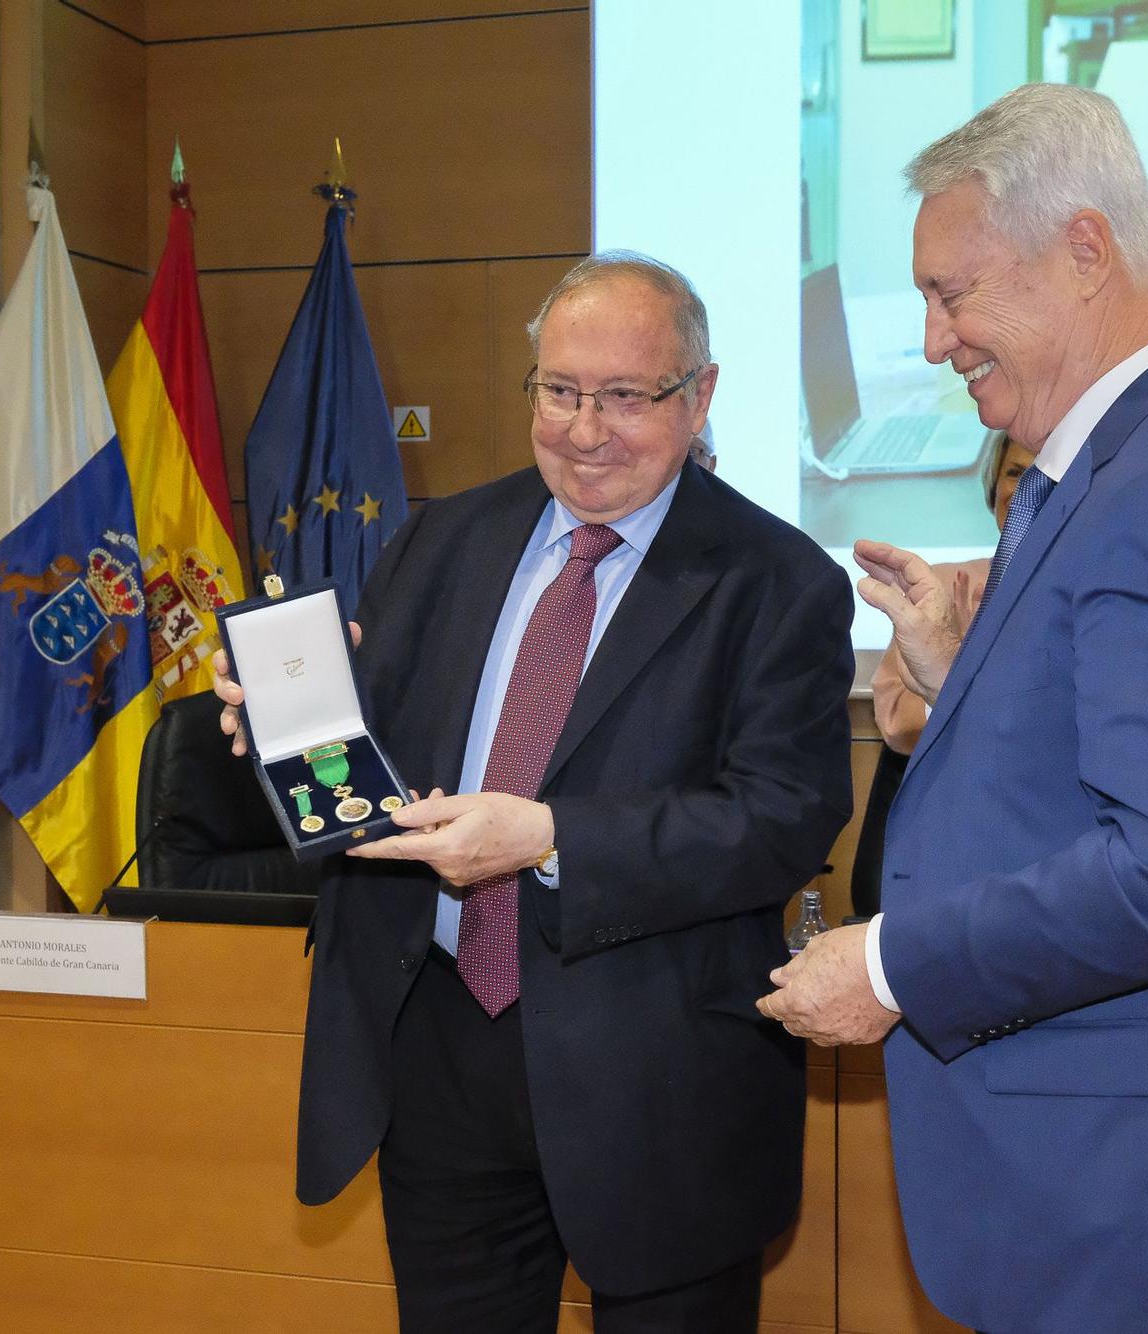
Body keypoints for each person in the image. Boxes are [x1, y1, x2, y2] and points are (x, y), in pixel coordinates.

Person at [758, 85, 1148, 1333]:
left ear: (1084, 249)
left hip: (1131, 1201)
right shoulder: (1131, 460)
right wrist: (952, 679)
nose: (933, 340)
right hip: (1107, 1185)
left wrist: (887, 959)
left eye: (951, 292)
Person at [215, 252, 854, 1333]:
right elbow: (383, 758)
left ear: (698, 395)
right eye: (560, 391)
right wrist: (290, 728)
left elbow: (779, 816)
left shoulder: (776, 579)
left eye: (624, 396)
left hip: (657, 1079)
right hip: (440, 1054)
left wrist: (550, 837)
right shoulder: (439, 538)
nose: (584, 428)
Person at [850, 434, 1036, 918]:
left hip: (1036, 854)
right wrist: (945, 672)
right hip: (940, 841)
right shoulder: (942, 584)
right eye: (1014, 472)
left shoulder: (1098, 590)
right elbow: (896, 723)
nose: (1026, 487)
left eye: (1043, 471)